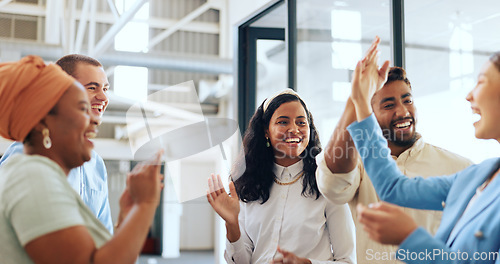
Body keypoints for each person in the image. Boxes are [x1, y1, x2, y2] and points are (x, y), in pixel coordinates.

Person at [315, 37, 472, 263]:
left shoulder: (460, 168)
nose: (402, 111)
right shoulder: (357, 165)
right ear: (367, 112)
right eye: (389, 105)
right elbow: (331, 185)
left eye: (407, 100)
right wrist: (356, 97)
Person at [348, 39, 499, 263]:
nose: (469, 95)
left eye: (480, 82)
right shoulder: (480, 174)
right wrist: (361, 102)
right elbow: (394, 188)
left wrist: (409, 237)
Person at [0, 55, 163, 263]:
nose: (95, 120)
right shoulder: (29, 174)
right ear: (43, 121)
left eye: (105, 88)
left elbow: (105, 251)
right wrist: (145, 205)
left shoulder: (91, 165)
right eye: (82, 108)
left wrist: (127, 218)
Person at [207, 89, 356, 264]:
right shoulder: (247, 185)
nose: (294, 129)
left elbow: (347, 260)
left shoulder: (327, 182)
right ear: (265, 131)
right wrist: (231, 224)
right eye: (283, 122)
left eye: (301, 122)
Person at [0, 54, 113, 233]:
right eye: (92, 88)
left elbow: (104, 234)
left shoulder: (96, 164)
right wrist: (141, 207)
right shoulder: (25, 157)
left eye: (106, 89)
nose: (104, 97)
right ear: (61, 92)